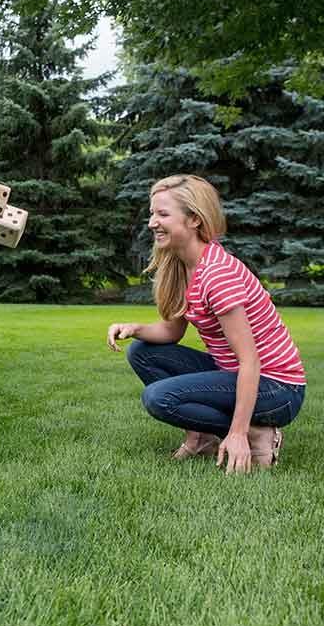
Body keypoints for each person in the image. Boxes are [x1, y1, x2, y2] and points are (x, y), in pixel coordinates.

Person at [107, 174, 305, 474]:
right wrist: (134, 328)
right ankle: (202, 436)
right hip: (237, 374)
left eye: (162, 214)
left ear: (194, 220)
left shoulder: (218, 275)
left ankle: (254, 433)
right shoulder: (182, 265)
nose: (152, 223)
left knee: (159, 398)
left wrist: (237, 433)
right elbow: (173, 331)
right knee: (141, 351)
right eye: (152, 214)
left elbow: (250, 360)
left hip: (278, 388)